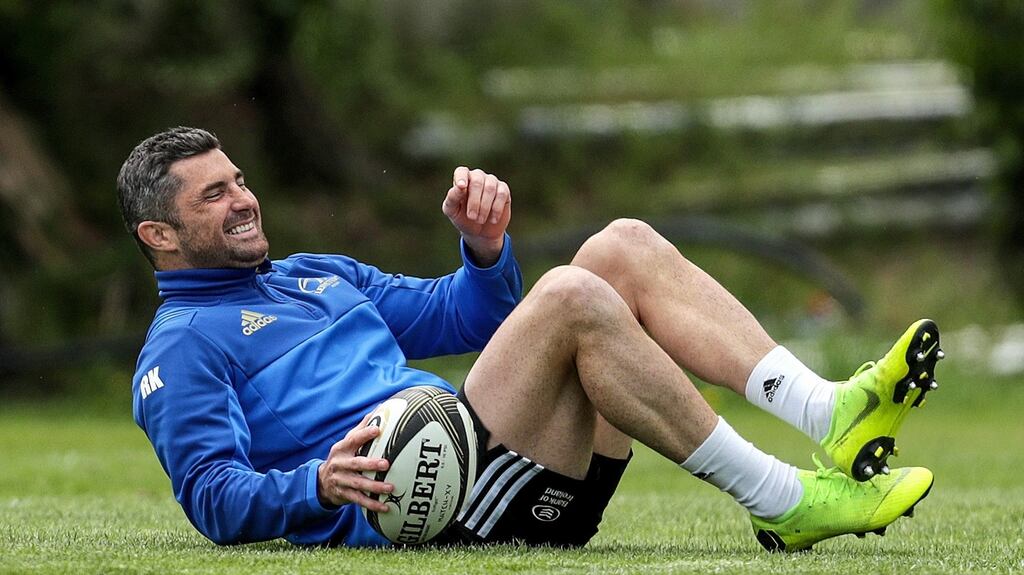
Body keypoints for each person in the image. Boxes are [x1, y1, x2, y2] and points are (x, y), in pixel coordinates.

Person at [119, 126, 941, 552]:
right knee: (572, 293)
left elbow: (467, 319)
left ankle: (828, 409)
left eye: (239, 180)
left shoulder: (312, 273)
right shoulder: (182, 346)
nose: (243, 199)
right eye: (213, 196)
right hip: (429, 506)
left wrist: (481, 252)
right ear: (160, 234)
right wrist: (318, 484)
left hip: (499, 466)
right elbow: (212, 495)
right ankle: (784, 502)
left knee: (621, 244)